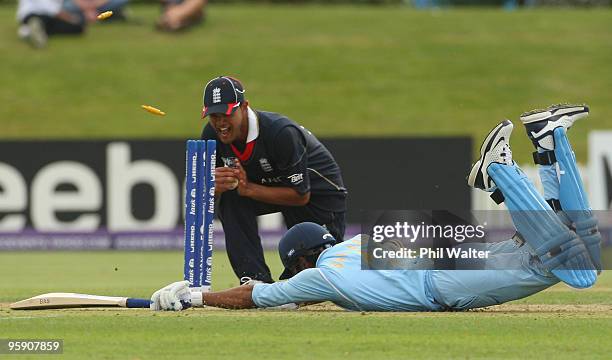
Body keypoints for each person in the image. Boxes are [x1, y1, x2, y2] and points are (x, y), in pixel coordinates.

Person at [150, 103, 600, 312]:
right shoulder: (355, 244)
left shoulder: (319, 276)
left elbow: (258, 294)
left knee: (574, 268)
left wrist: (195, 296)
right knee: (577, 246)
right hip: (430, 249)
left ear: (301, 262)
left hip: (439, 283)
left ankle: (501, 173)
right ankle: (548, 139)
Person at [199, 76, 347, 284]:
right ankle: (254, 280)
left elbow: (300, 195)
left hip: (318, 194)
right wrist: (214, 189)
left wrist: (248, 188)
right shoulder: (211, 137)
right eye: (213, 116)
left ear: (244, 107)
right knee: (230, 199)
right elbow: (205, 200)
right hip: (267, 187)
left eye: (226, 113)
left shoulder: (280, 133)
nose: (220, 122)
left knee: (319, 277)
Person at [16, 0, 128, 49]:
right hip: (33, 14)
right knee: (39, 19)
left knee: (79, 28)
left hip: (51, 18)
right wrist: (71, 18)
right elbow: (53, 10)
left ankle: (29, 30)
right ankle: (34, 27)